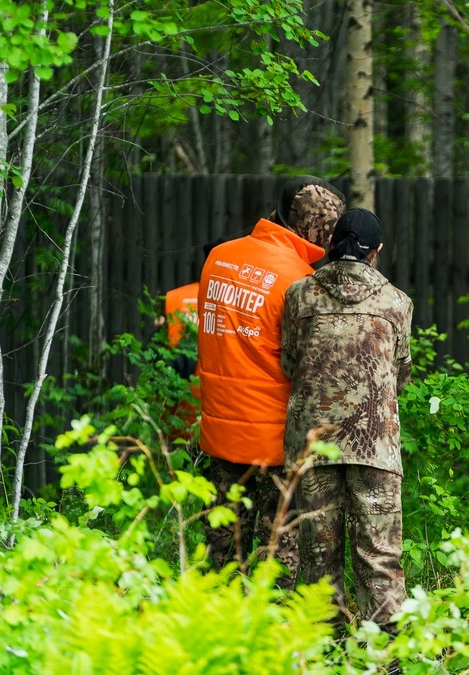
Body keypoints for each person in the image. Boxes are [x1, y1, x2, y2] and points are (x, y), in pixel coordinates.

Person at [195, 178, 345, 587]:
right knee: (277, 550)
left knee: (221, 546)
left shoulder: (219, 258)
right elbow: (305, 363)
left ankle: (214, 627)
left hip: (220, 425)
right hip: (273, 438)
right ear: (321, 234)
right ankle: (273, 633)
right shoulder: (299, 280)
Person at [280, 208, 413, 631]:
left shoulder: (298, 295)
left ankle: (326, 654)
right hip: (375, 447)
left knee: (319, 558)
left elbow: (289, 362)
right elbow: (400, 373)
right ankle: (392, 654)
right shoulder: (396, 301)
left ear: (331, 244)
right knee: (379, 556)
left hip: (312, 445)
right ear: (376, 252)